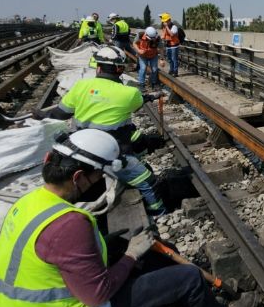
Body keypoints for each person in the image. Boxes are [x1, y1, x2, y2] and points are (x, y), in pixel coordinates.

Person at [0, 129, 258, 307]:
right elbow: (96, 294)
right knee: (188, 278)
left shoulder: (28, 203)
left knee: (153, 253)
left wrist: (126, 252)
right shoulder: (69, 224)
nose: (102, 181)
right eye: (99, 175)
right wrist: (130, 256)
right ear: (79, 177)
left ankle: (195, 304)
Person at [36, 45, 166, 216]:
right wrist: (152, 96)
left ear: (97, 67)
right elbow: (138, 102)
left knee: (135, 138)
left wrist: (41, 114)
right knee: (147, 181)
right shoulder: (129, 93)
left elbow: (60, 113)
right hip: (109, 153)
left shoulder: (80, 86)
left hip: (78, 149)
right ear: (120, 69)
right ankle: (158, 213)